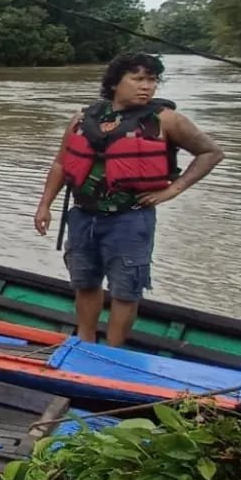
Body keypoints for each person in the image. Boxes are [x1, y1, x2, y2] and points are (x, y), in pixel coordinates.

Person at [34, 53, 223, 346]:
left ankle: (113, 350)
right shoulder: (83, 118)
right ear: (114, 84)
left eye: (152, 80)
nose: (146, 86)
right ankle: (85, 342)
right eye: (137, 79)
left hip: (130, 219)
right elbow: (61, 163)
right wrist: (44, 205)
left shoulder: (165, 120)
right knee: (84, 282)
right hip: (83, 215)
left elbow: (210, 152)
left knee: (126, 289)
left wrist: (174, 190)